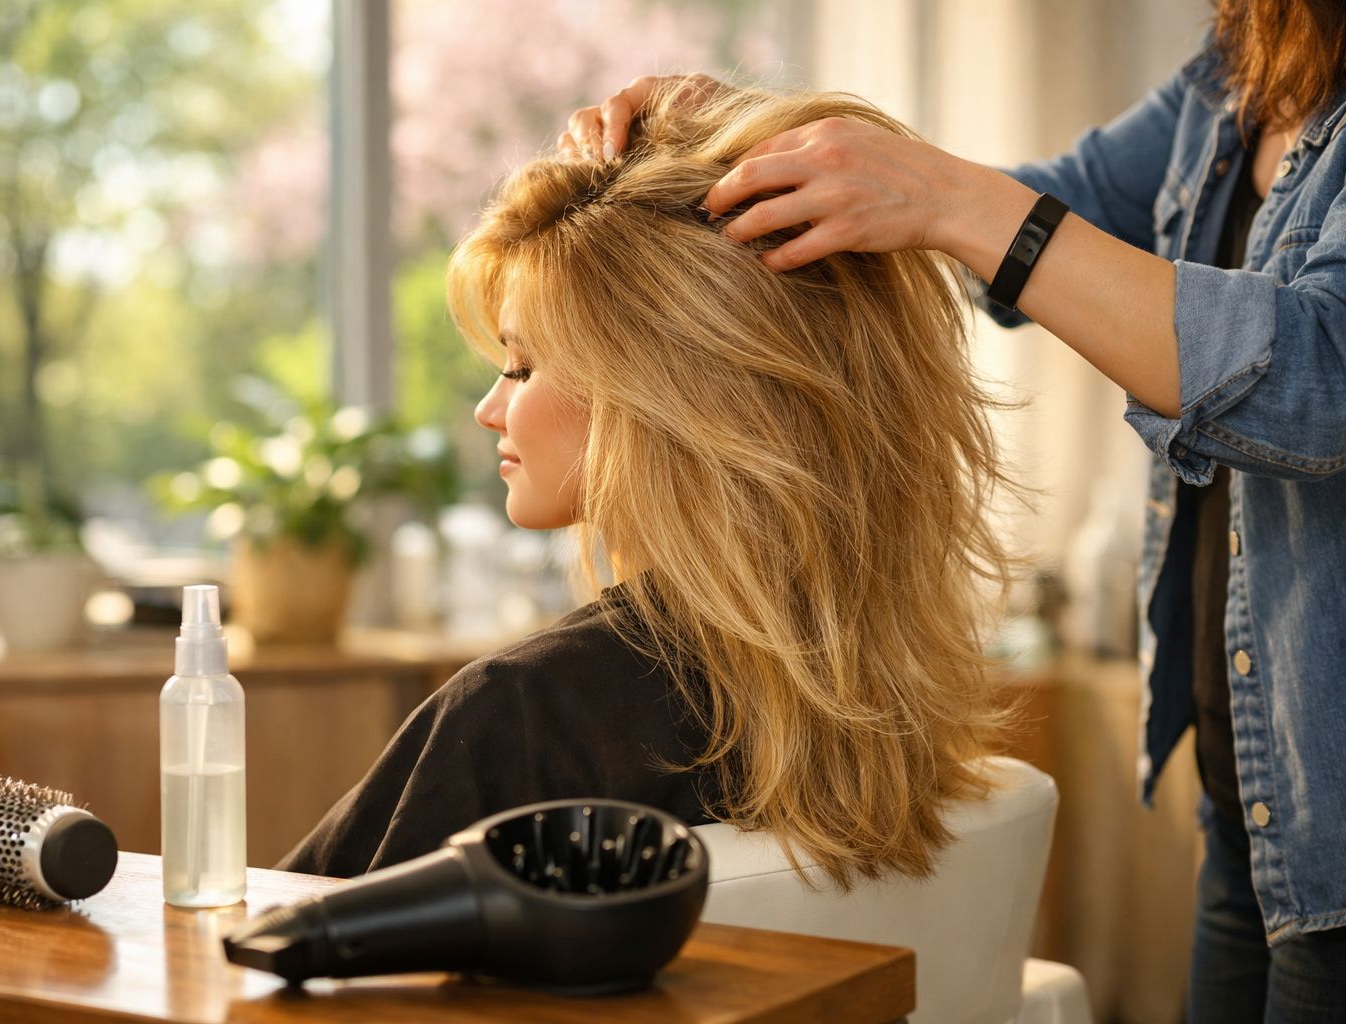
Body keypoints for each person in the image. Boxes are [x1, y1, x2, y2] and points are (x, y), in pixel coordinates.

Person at [563, 2, 1346, 1019]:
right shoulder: (1247, 68)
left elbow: (1321, 378)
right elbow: (1047, 216)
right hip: (1252, 794)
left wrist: (947, 200)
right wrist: (771, 137)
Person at [278, 84, 1016, 887]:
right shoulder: (878, 702)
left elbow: (283, 976)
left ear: (664, 398)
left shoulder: (523, 713)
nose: (491, 409)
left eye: (522, 366)